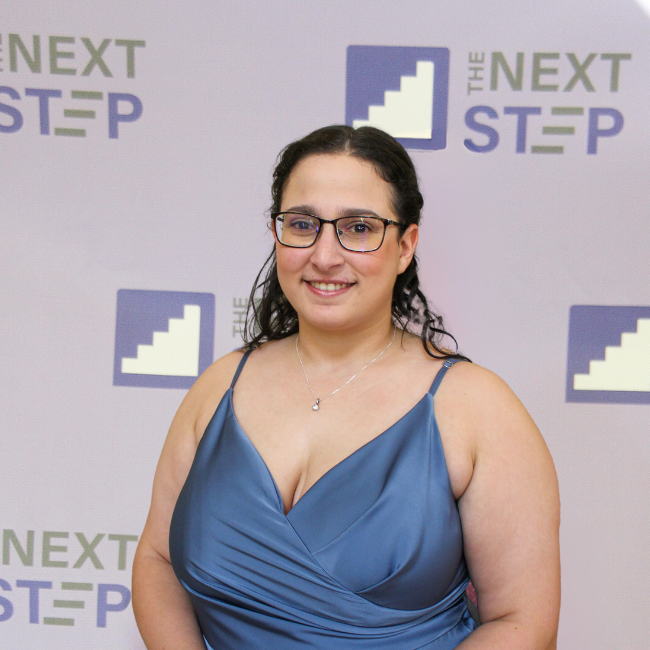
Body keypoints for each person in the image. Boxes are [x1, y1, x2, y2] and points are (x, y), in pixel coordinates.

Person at [132, 125, 561, 649]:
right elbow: (157, 559)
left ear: (405, 246)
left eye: (358, 228)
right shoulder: (221, 386)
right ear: (277, 234)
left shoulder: (476, 408)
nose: (325, 256)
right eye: (303, 224)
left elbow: (522, 622)